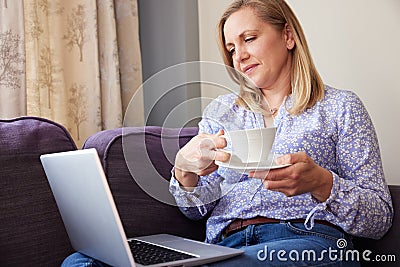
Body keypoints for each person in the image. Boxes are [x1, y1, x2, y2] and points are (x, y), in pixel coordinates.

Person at [62, 0, 393, 266]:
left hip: (303, 240)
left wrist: (322, 183)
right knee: (81, 263)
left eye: (249, 39)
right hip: (223, 246)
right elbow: (195, 208)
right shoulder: (222, 113)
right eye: (231, 48)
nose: (240, 55)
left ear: (288, 36)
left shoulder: (339, 107)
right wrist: (184, 170)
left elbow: (380, 218)